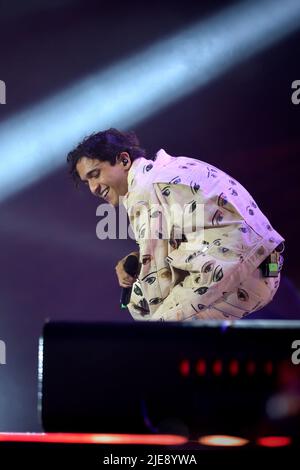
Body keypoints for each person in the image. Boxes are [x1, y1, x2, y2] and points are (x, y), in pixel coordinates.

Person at [67, 128, 284, 322]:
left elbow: (156, 277)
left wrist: (136, 305)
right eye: (88, 182)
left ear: (124, 160)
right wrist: (136, 260)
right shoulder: (171, 167)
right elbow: (186, 236)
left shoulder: (143, 190)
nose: (93, 188)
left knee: (157, 338)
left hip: (245, 270)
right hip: (268, 265)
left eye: (95, 175)